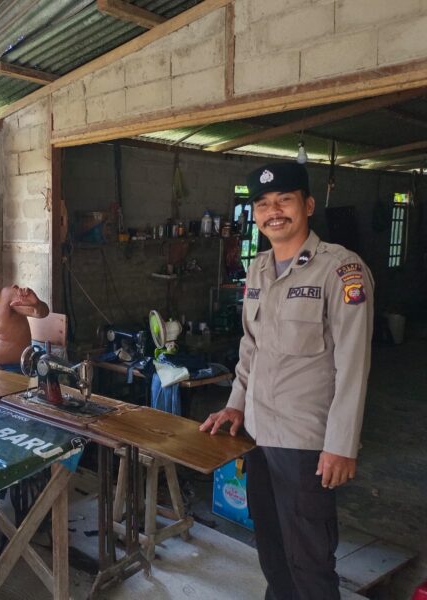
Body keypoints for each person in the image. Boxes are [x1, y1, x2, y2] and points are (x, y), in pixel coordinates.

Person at [200, 162, 374, 600]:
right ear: (255, 214)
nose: (273, 211)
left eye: (284, 201)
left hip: (306, 443)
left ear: (308, 205)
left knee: (310, 561)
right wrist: (236, 404)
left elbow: (353, 364)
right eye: (263, 204)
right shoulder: (258, 269)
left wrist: (341, 443)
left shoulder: (340, 270)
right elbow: (251, 348)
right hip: (258, 435)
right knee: (273, 554)